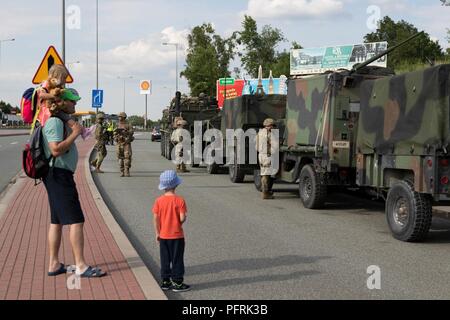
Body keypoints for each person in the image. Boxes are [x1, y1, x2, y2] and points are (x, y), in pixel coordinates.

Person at [42, 88, 106, 278]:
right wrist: (75, 133)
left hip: (58, 175)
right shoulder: (54, 122)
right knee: (76, 220)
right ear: (62, 102)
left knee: (57, 221)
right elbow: (55, 150)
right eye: (72, 101)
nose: (75, 105)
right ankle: (81, 266)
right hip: (58, 176)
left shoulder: (60, 120)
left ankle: (54, 264)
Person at [152, 170, 190, 292]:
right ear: (176, 184)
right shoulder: (180, 200)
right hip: (177, 236)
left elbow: (156, 218)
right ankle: (178, 283)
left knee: (165, 259)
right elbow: (182, 218)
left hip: (163, 235)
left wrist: (157, 232)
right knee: (177, 259)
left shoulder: (158, 201)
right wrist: (182, 221)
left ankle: (165, 281)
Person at [256, 118, 278, 200]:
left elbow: (256, 147)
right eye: (273, 126)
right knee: (266, 175)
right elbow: (275, 147)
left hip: (261, 156)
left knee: (264, 173)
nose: (273, 128)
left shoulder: (259, 133)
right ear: (270, 126)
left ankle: (266, 192)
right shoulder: (269, 134)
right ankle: (265, 193)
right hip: (267, 156)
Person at [113, 112, 134, 177]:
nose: (119, 118)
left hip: (126, 143)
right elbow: (114, 133)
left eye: (120, 117)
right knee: (120, 158)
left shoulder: (128, 124)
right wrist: (116, 136)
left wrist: (126, 132)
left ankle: (127, 170)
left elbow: (131, 132)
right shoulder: (117, 124)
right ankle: (122, 171)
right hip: (119, 143)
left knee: (127, 157)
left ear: (124, 117)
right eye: (119, 117)